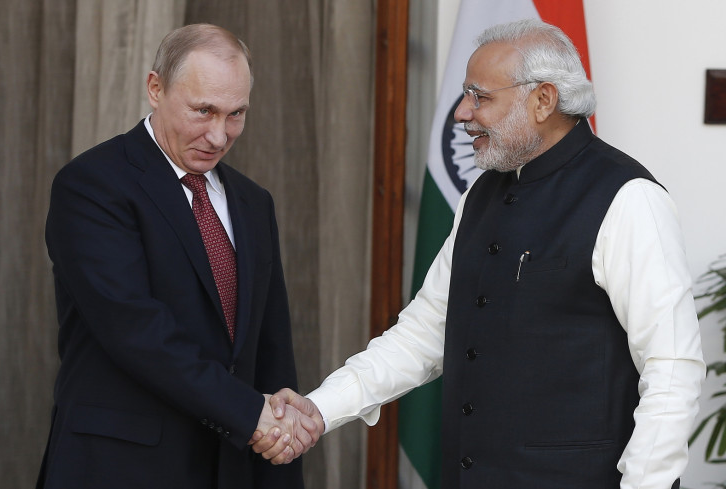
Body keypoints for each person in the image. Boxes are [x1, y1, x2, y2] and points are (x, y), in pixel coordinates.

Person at [255, 18, 706, 489]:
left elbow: (672, 368)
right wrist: (321, 408)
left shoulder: (629, 198)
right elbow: (423, 334)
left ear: (543, 100)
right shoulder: (479, 196)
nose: (462, 113)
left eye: (480, 96)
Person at [36, 24, 319, 489]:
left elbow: (271, 348)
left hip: (231, 467)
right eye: (203, 110)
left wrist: (280, 438)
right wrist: (252, 415)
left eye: (236, 114)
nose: (218, 135)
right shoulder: (92, 185)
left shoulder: (253, 202)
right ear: (155, 88)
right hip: (120, 468)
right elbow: (136, 328)